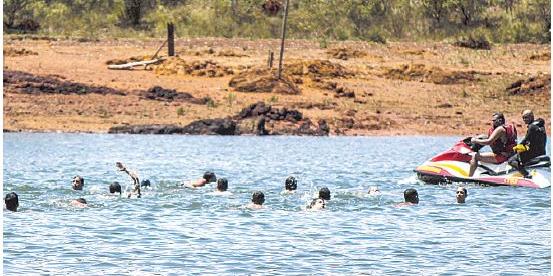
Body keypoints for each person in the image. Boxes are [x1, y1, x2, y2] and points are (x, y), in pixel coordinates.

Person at [469, 112, 517, 177]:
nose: (493, 122)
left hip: (502, 157)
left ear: (500, 120)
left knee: (475, 156)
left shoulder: (500, 129)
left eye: (494, 120)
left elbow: (489, 142)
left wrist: (475, 140)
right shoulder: (509, 127)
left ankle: (469, 177)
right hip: (511, 155)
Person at [508, 110, 547, 178]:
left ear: (532, 116)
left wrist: (516, 148)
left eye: (526, 117)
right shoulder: (540, 126)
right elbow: (533, 141)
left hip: (533, 153)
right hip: (542, 152)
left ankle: (526, 174)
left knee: (511, 160)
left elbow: (526, 140)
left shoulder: (532, 127)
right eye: (523, 118)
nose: (524, 119)